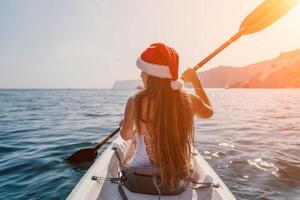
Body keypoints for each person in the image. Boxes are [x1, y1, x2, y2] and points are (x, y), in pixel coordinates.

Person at [119, 43, 213, 190]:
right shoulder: (189, 99)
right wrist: (196, 81)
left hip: (140, 178)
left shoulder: (134, 101)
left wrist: (126, 125)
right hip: (177, 179)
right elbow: (209, 113)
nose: (141, 75)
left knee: (134, 142)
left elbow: (125, 136)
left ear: (152, 74)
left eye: (143, 70)